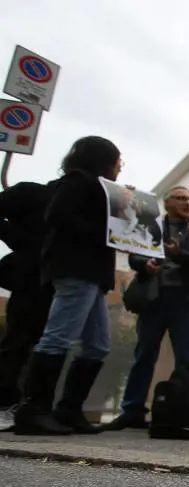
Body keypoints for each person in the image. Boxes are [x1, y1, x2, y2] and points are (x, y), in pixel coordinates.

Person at [13, 136, 122, 436]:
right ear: (102, 159)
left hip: (93, 274)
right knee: (58, 337)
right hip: (77, 269)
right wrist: (101, 233)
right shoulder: (78, 181)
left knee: (98, 344)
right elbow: (57, 215)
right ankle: (34, 409)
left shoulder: (97, 189)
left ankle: (69, 411)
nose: (120, 166)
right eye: (117, 160)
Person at [102, 186, 189, 431]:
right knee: (144, 355)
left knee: (186, 359)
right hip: (154, 299)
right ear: (167, 202)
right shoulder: (150, 226)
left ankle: (183, 410)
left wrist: (180, 253)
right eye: (181, 198)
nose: (188, 203)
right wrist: (147, 265)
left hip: (184, 301)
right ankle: (132, 410)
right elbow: (135, 257)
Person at [0, 180, 58, 429]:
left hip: (65, 281)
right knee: (18, 341)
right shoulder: (32, 193)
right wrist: (24, 243)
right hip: (31, 279)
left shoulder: (95, 204)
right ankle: (4, 403)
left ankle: (31, 403)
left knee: (47, 343)